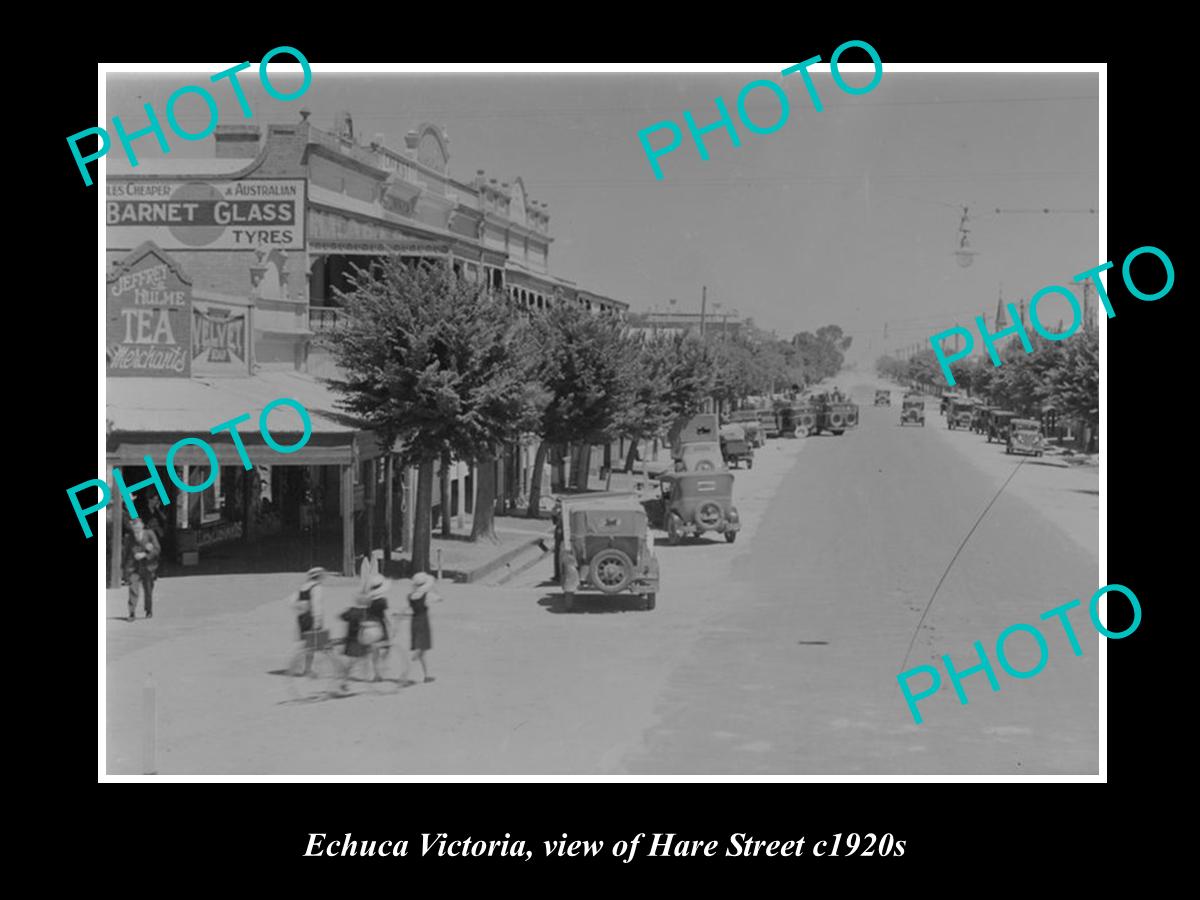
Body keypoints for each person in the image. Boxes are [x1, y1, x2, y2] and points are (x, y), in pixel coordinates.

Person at [403, 572, 442, 685]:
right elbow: (440, 598)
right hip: (423, 621)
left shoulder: (410, 596)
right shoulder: (427, 595)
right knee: (422, 649)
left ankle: (427, 675)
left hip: (414, 621)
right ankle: (421, 672)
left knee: (421, 650)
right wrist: (432, 587)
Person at [289, 567, 327, 675]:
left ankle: (304, 666)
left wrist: (301, 609)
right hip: (311, 617)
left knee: (307, 641)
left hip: (302, 617)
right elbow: (317, 604)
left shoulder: (303, 587)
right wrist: (317, 620)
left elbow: (292, 602)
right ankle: (307, 669)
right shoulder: (316, 587)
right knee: (312, 644)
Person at [123, 518, 161, 622]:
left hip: (148, 567)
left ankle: (148, 610)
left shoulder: (149, 534)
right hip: (134, 568)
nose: (137, 529)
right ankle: (131, 612)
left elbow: (157, 549)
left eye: (138, 527)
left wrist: (145, 554)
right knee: (133, 589)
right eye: (134, 528)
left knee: (148, 590)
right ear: (132, 528)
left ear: (142, 526)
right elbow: (126, 554)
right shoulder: (129, 538)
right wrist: (125, 571)